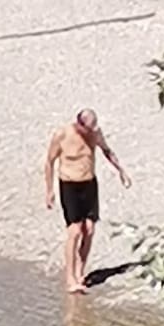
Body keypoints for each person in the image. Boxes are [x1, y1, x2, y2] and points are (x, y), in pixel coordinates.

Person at [44, 109, 129, 295]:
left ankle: (80, 273)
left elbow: (106, 151)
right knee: (74, 231)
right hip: (69, 185)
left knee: (89, 229)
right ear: (79, 124)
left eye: (93, 128)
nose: (90, 132)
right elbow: (49, 161)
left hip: (89, 184)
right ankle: (70, 279)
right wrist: (49, 191)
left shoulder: (95, 134)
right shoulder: (63, 134)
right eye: (88, 128)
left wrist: (121, 170)